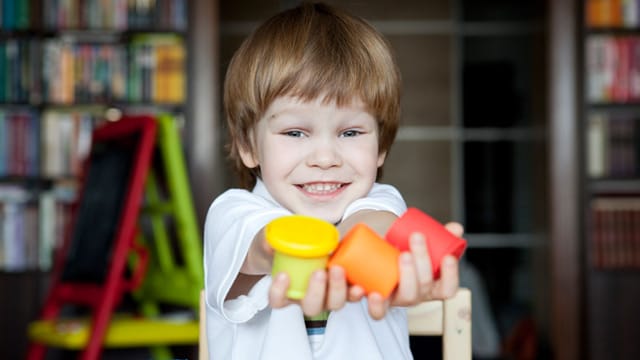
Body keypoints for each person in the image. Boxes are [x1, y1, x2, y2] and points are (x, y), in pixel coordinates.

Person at [203, 2, 462, 359]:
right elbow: (264, 247)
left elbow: (378, 225)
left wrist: (406, 258)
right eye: (295, 132)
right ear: (249, 146)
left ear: (380, 147)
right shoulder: (232, 213)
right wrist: (301, 255)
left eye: (351, 132)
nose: (325, 159)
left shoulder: (382, 200)